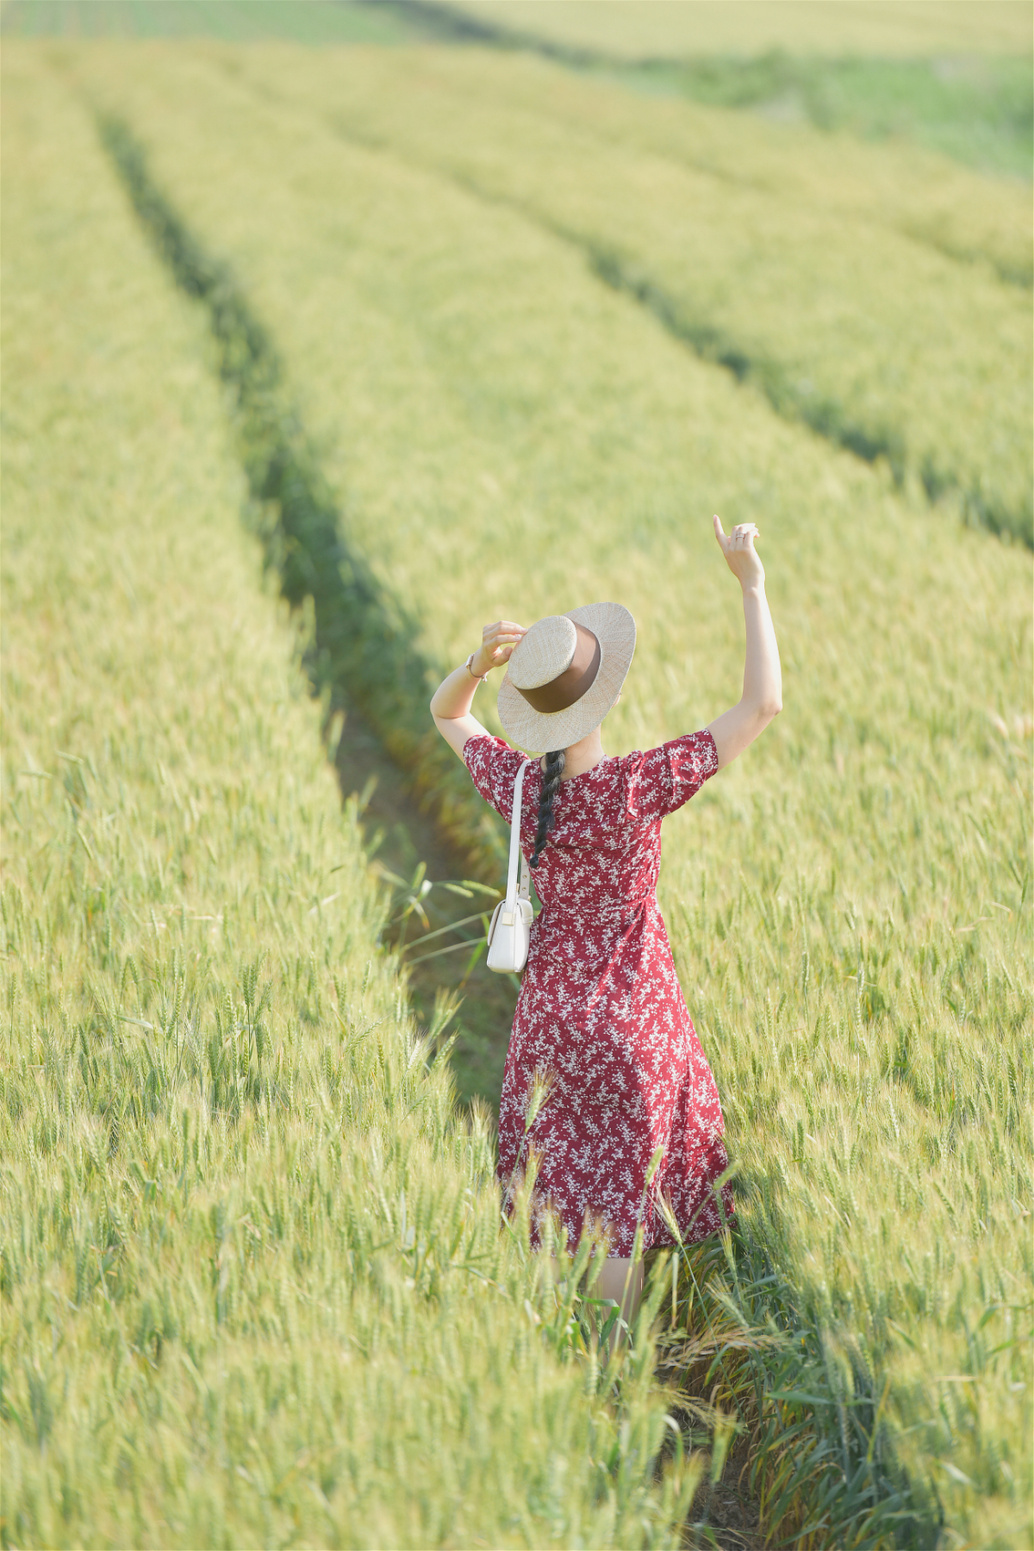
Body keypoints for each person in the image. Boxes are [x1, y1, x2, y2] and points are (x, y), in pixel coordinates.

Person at [429, 515, 781, 1337]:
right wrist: (751, 585)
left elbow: (448, 715)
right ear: (602, 694)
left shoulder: (521, 788)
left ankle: (556, 1368)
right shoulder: (636, 785)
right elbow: (762, 704)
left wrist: (476, 665)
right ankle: (618, 1369)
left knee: (555, 1199)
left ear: (536, 710)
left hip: (549, 1023)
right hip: (634, 1022)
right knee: (622, 1209)